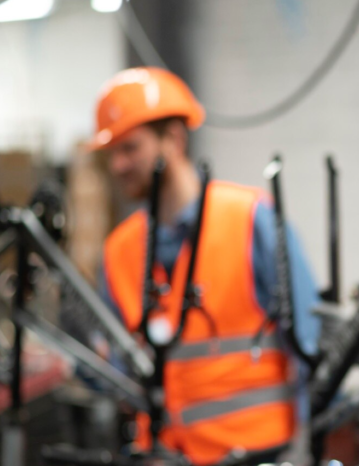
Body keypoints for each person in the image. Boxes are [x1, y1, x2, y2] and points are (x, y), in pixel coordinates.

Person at [93, 67, 321, 465]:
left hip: (260, 454)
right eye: (111, 153)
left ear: (175, 139)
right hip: (161, 456)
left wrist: (309, 449)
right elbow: (116, 367)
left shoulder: (253, 220)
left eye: (130, 148)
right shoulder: (118, 251)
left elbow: (310, 345)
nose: (118, 166)